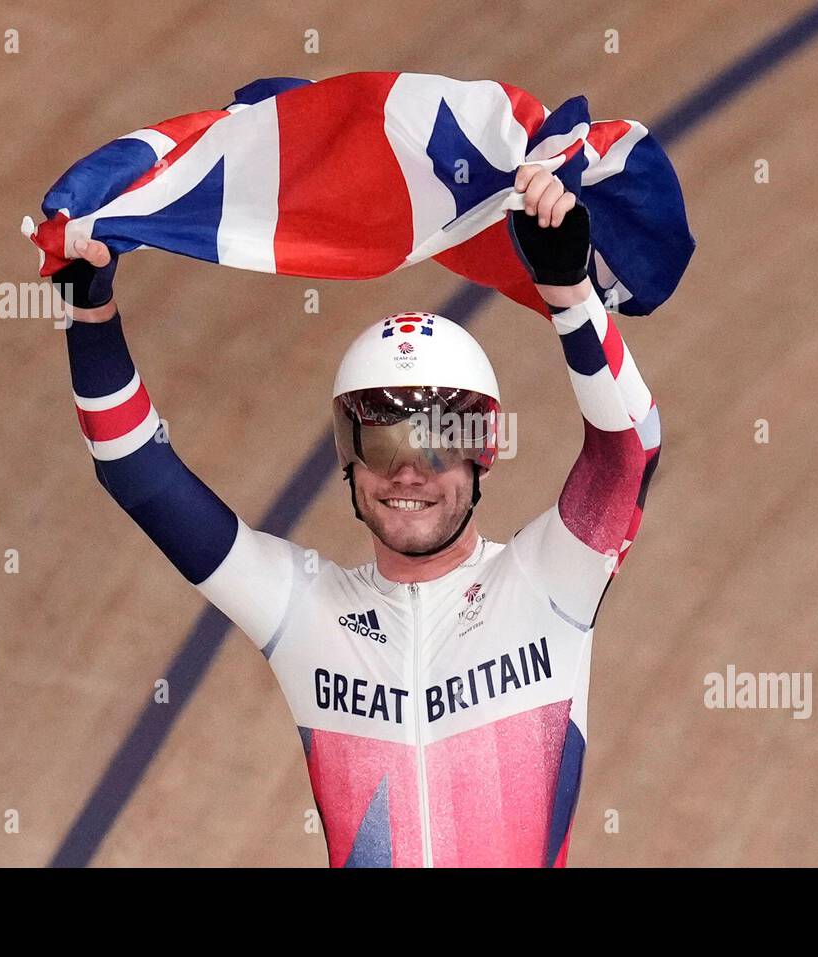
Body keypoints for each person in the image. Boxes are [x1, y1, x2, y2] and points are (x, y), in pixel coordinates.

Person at [54, 165, 660, 867]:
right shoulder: (303, 611)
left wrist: (570, 295)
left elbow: (629, 450)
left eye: (436, 440)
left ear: (482, 452)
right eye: (381, 438)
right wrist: (90, 316)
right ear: (347, 455)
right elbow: (139, 474)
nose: (408, 470)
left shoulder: (550, 582)